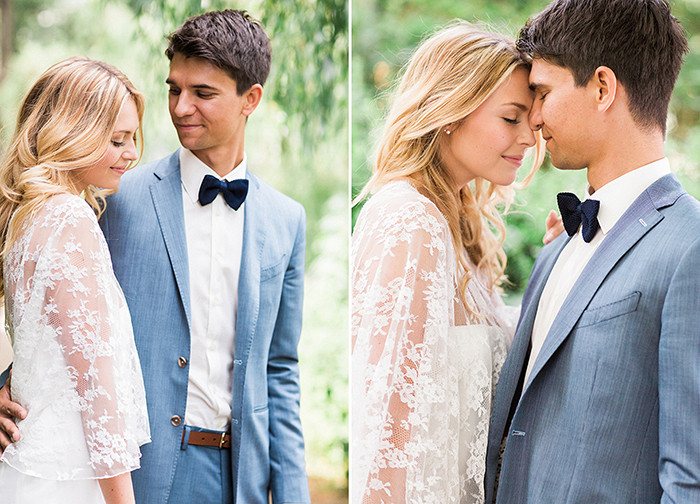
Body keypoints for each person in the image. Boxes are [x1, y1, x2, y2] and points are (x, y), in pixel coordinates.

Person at [0, 9, 309, 504]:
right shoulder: (110, 198)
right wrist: (6, 384)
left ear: (250, 98)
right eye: (173, 89)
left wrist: (293, 495)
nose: (181, 107)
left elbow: (281, 370)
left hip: (240, 478)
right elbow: (47, 307)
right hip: (140, 473)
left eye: (202, 93)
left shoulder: (286, 219)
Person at [485, 0, 700, 502]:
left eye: (542, 92)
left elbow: (690, 481)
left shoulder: (690, 248)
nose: (533, 119)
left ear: (602, 87)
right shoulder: (556, 248)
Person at [351, 21, 549, 503]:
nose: (529, 137)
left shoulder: (458, 226)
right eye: (510, 118)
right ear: (449, 112)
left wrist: (557, 265)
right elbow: (387, 431)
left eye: (532, 119)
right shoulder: (410, 219)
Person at [0, 57, 150, 503]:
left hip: (28, 469)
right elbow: (97, 388)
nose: (132, 154)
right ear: (73, 133)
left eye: (132, 139)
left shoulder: (26, 217)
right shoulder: (68, 218)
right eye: (118, 140)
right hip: (68, 480)